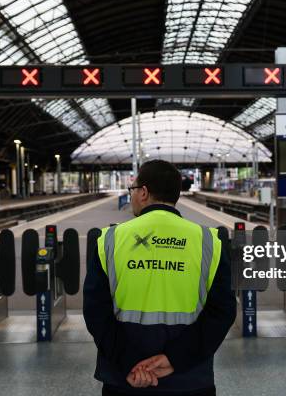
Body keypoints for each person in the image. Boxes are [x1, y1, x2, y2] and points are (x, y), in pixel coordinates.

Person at [84, 160, 236, 396]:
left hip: (124, 379)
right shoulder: (210, 242)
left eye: (132, 190)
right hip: (190, 378)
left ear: (143, 192)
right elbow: (222, 312)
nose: (132, 195)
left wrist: (130, 364)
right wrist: (174, 359)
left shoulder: (109, 240)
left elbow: (96, 312)